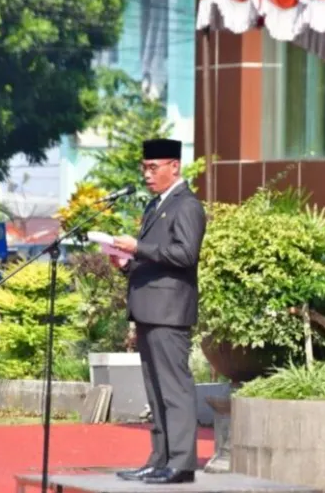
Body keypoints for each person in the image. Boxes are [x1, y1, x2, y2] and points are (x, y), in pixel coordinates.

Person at [109, 138, 207, 485]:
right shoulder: (156, 205)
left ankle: (181, 463)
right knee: (155, 391)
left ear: (174, 167)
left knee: (174, 389)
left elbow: (185, 254)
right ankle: (159, 458)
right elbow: (155, 257)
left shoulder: (187, 206)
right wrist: (127, 263)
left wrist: (138, 247)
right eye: (144, 168)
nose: (147, 175)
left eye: (153, 168)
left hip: (169, 311)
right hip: (149, 309)